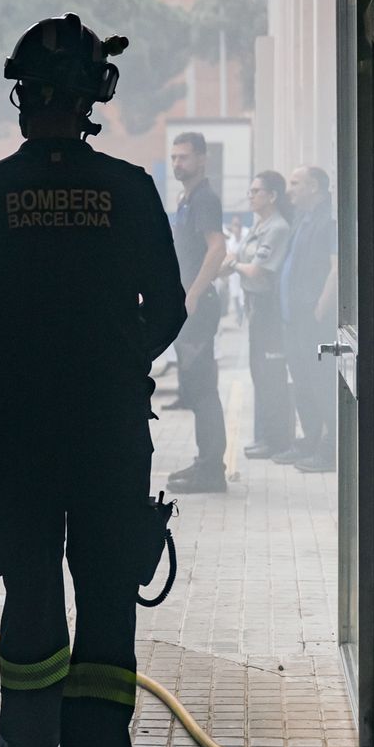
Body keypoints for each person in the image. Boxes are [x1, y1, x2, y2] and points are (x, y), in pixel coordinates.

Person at [0, 12, 185, 747]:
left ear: (21, 98)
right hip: (113, 431)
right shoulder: (131, 190)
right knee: (108, 607)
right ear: (94, 99)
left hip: (25, 435)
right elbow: (174, 308)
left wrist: (17, 367)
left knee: (32, 589)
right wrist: (116, 362)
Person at [164, 132, 229, 494]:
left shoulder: (204, 198)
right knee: (195, 388)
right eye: (174, 157)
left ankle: (211, 471)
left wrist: (192, 295)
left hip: (198, 308)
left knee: (203, 390)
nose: (177, 164)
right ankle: (206, 461)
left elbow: (217, 249)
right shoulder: (186, 199)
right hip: (189, 304)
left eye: (184, 157)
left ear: (202, 159)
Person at [221, 171, 294, 459]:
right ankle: (266, 435)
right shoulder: (259, 225)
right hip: (255, 308)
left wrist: (235, 264)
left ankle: (277, 440)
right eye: (250, 191)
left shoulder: (277, 227)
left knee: (271, 375)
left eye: (256, 191)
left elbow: (258, 270)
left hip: (269, 311)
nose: (250, 196)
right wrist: (238, 264)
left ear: (272, 195)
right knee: (259, 375)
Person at [274, 165, 339, 471]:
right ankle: (311, 442)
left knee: (321, 383)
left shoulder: (329, 221)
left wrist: (319, 311)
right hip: (294, 319)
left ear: (314, 187)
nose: (290, 190)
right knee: (302, 383)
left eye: (296, 183)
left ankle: (330, 450)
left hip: (313, 320)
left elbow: (336, 269)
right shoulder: (302, 218)